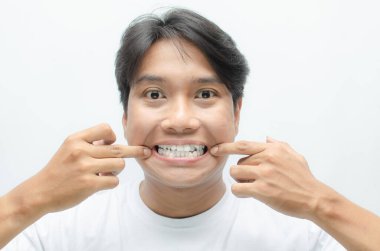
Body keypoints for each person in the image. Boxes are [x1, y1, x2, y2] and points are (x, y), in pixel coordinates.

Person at [1, 8, 379, 251]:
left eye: (204, 93)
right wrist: (28, 200)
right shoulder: (57, 232)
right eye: (153, 94)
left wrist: (321, 203)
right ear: (125, 118)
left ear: (237, 112)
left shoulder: (303, 231)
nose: (180, 121)